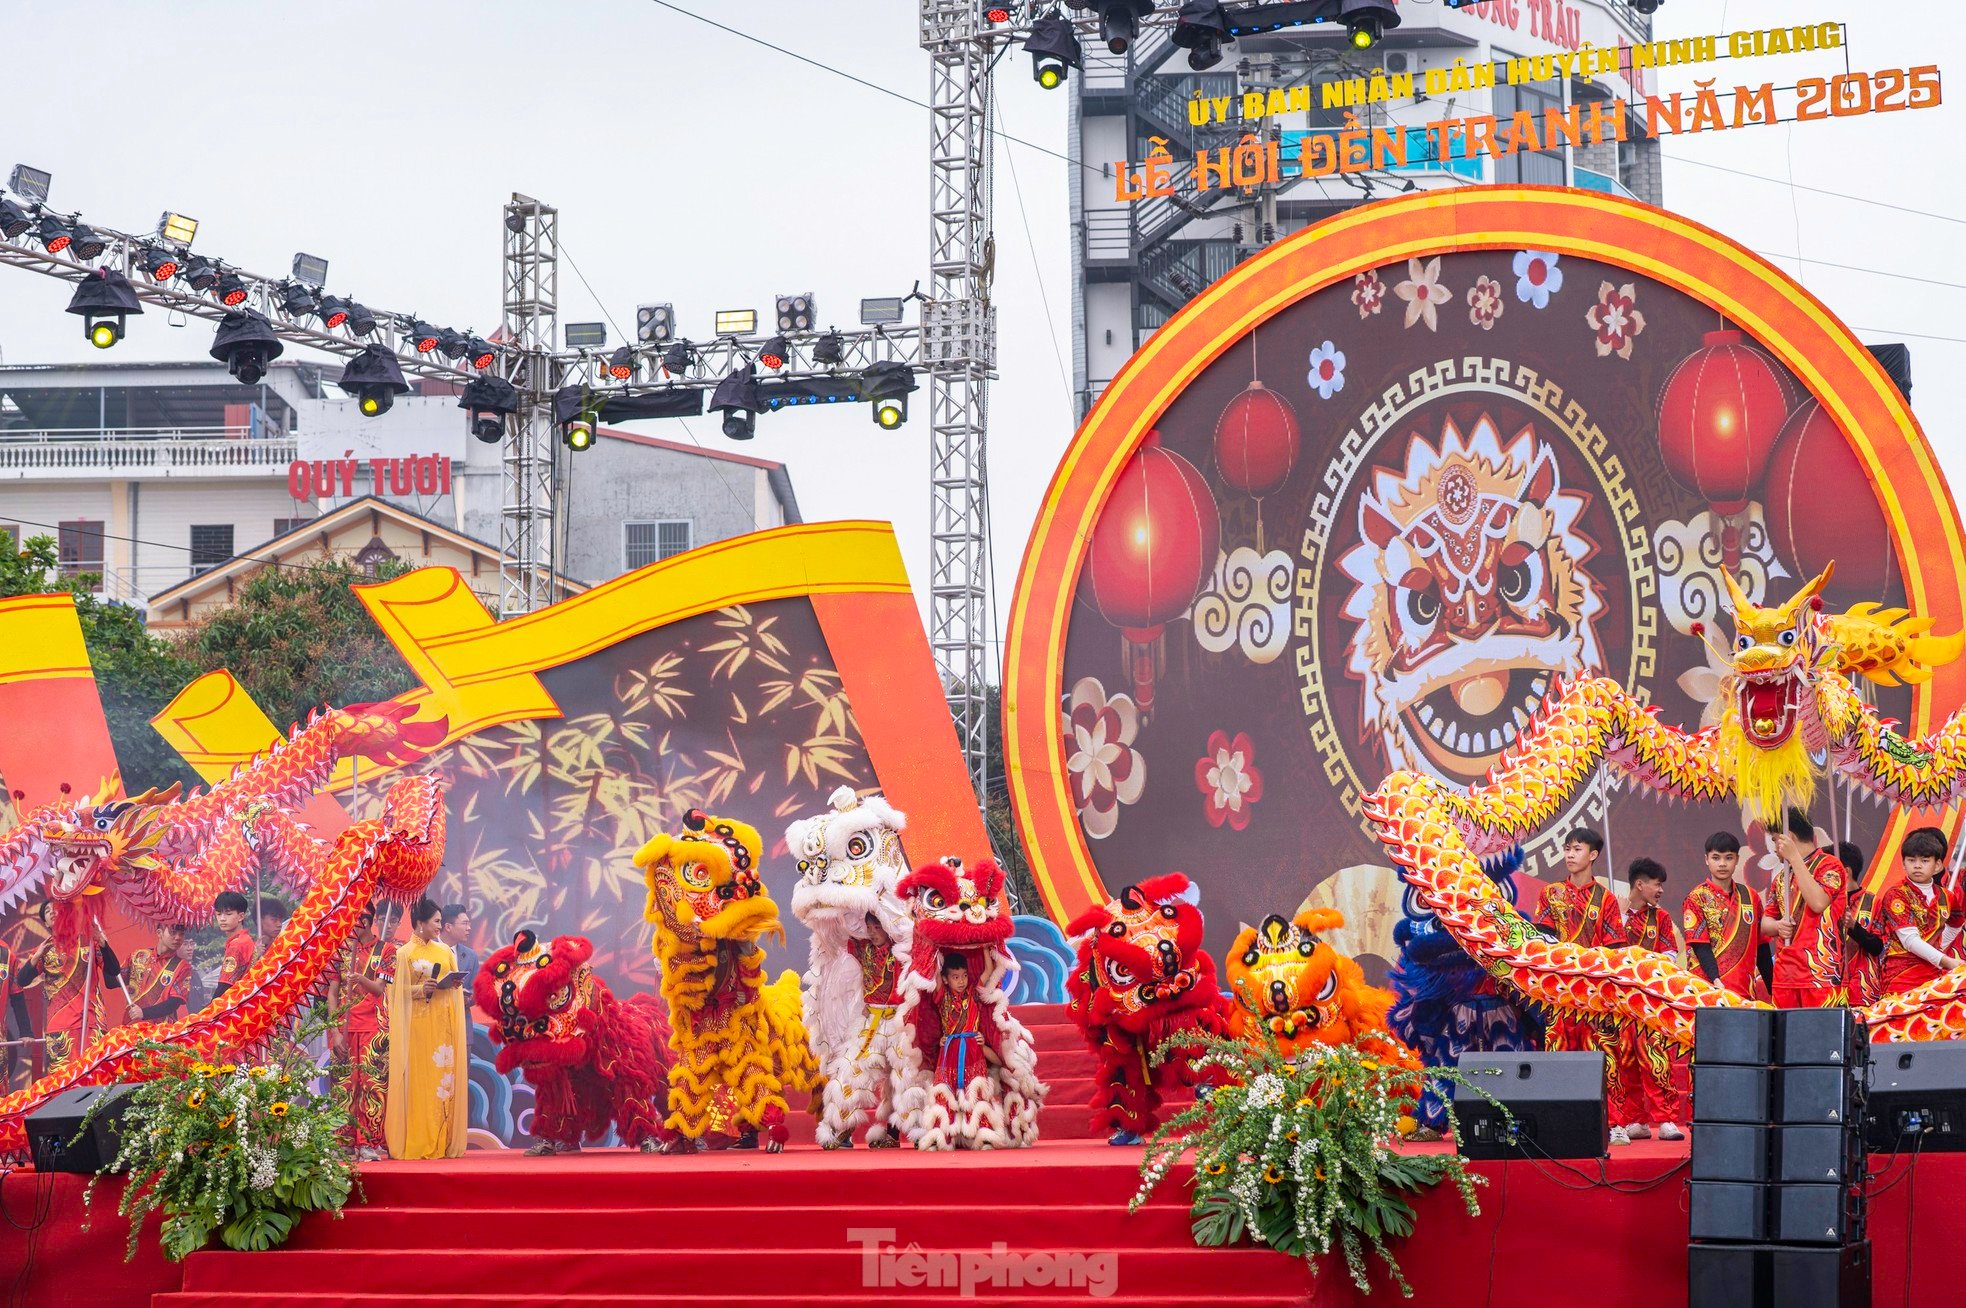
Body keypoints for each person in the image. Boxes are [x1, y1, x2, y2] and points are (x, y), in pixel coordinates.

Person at [1531, 828, 1634, 1140]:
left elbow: (1616, 949)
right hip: (1559, 994)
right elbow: (1541, 939)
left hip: (1595, 997)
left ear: (1593, 855)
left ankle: (1615, 1124)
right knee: (1557, 1057)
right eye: (1567, 849)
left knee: (1606, 1059)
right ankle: (1554, 1122)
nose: (1570, 855)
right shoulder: (1550, 894)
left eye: (1577, 849)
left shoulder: (1607, 900)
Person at [385, 896, 467, 1160]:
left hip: (443, 1025)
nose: (439, 927)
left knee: (442, 1084)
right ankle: (419, 1141)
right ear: (420, 923)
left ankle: (441, 1140)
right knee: (420, 1084)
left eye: (441, 922)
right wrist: (421, 989)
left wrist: (453, 985)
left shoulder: (445, 952)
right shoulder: (403, 954)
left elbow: (455, 984)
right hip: (418, 1027)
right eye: (436, 921)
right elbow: (394, 993)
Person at [1619, 859, 1687, 1143]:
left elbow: (1670, 955)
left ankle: (1667, 1119)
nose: (1660, 890)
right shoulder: (1613, 912)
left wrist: (1644, 964)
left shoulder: (1660, 918)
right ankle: (1635, 1121)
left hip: (1649, 1003)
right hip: (1620, 1003)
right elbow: (1602, 949)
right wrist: (1620, 917)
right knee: (1624, 1062)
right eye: (1657, 884)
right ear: (1640, 884)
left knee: (1655, 1059)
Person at [14, 903, 123, 1069]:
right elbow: (21, 981)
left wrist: (102, 942)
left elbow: (114, 970)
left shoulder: (88, 941)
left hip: (92, 1021)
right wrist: (35, 957)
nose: (52, 912)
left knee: (96, 1077)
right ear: (45, 923)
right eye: (47, 912)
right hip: (59, 1026)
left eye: (55, 908)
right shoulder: (45, 949)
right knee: (63, 1083)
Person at [1765, 808, 1849, 1009]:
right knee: (1785, 1039)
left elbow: (1818, 902)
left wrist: (1794, 858)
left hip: (1822, 974)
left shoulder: (1830, 865)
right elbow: (1765, 923)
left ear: (1789, 838)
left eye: (1776, 840)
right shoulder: (1782, 877)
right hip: (1785, 975)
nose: (1776, 848)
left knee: (1822, 1038)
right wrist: (1777, 926)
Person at [329, 902, 394, 1160]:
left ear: (365, 923)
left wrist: (360, 979)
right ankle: (342, 1142)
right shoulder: (340, 952)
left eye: (351, 922)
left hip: (375, 1028)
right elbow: (332, 994)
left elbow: (379, 989)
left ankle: (369, 1142)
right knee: (344, 1086)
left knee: (372, 1085)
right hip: (344, 1028)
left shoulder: (387, 951)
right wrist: (334, 1032)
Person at [1877, 826, 1966, 996]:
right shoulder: (1896, 894)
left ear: (1938, 864)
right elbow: (1910, 941)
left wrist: (1940, 949)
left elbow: (1956, 923)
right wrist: (1946, 961)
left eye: (1925, 861)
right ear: (1903, 863)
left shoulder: (1946, 896)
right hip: (1902, 977)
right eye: (1911, 860)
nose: (1917, 866)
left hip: (1933, 977)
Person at [1838, 841, 1885, 1006]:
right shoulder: (1823, 902)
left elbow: (1878, 947)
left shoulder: (1873, 902)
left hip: (1863, 990)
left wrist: (1854, 927)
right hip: (1829, 987)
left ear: (1845, 871)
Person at [122, 922, 192, 1026]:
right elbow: (112, 981)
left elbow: (174, 1003)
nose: (178, 937)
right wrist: (104, 947)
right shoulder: (137, 956)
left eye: (181, 934)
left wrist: (143, 1013)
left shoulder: (182, 966)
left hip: (162, 1030)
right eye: (173, 932)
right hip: (132, 1026)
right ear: (159, 933)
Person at [213, 891, 256, 998]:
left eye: (228, 914)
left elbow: (225, 986)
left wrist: (208, 1011)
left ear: (241, 916)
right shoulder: (246, 939)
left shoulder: (237, 945)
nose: (222, 918)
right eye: (218, 914)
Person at [440, 904, 478, 995]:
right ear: (448, 927)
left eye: (469, 924)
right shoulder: (427, 949)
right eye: (464, 923)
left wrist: (467, 996)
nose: (469, 928)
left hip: (461, 1008)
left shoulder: (471, 956)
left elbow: (477, 989)